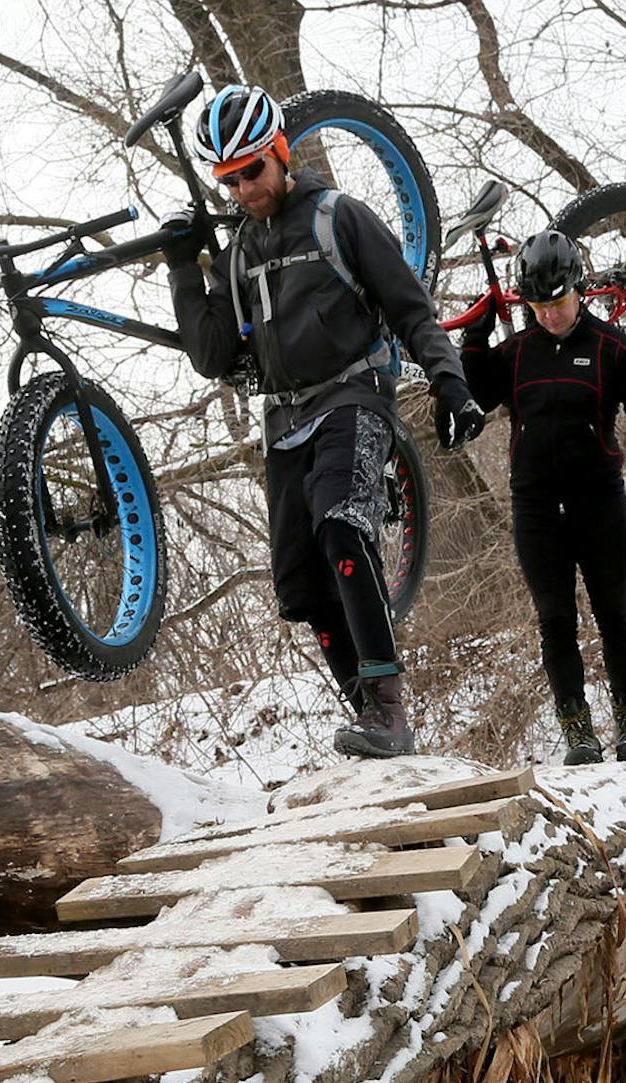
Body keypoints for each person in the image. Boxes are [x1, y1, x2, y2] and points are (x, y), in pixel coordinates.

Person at [162, 85, 486, 759]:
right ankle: (371, 717)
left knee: (341, 522)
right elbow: (213, 354)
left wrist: (450, 383)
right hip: (284, 420)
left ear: (280, 152)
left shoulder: (340, 217)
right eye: (230, 180)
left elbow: (411, 309)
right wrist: (183, 272)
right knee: (301, 587)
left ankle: (390, 708)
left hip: (354, 395)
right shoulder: (240, 250)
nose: (245, 189)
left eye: (253, 170)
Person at [460, 230, 626, 765]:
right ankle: (577, 731)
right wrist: (473, 340)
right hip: (535, 507)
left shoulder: (612, 348)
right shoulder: (515, 353)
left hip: (597, 501)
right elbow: (468, 397)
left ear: (577, 288)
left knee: (614, 614)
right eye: (537, 305)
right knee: (555, 619)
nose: (550, 314)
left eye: (557, 301)